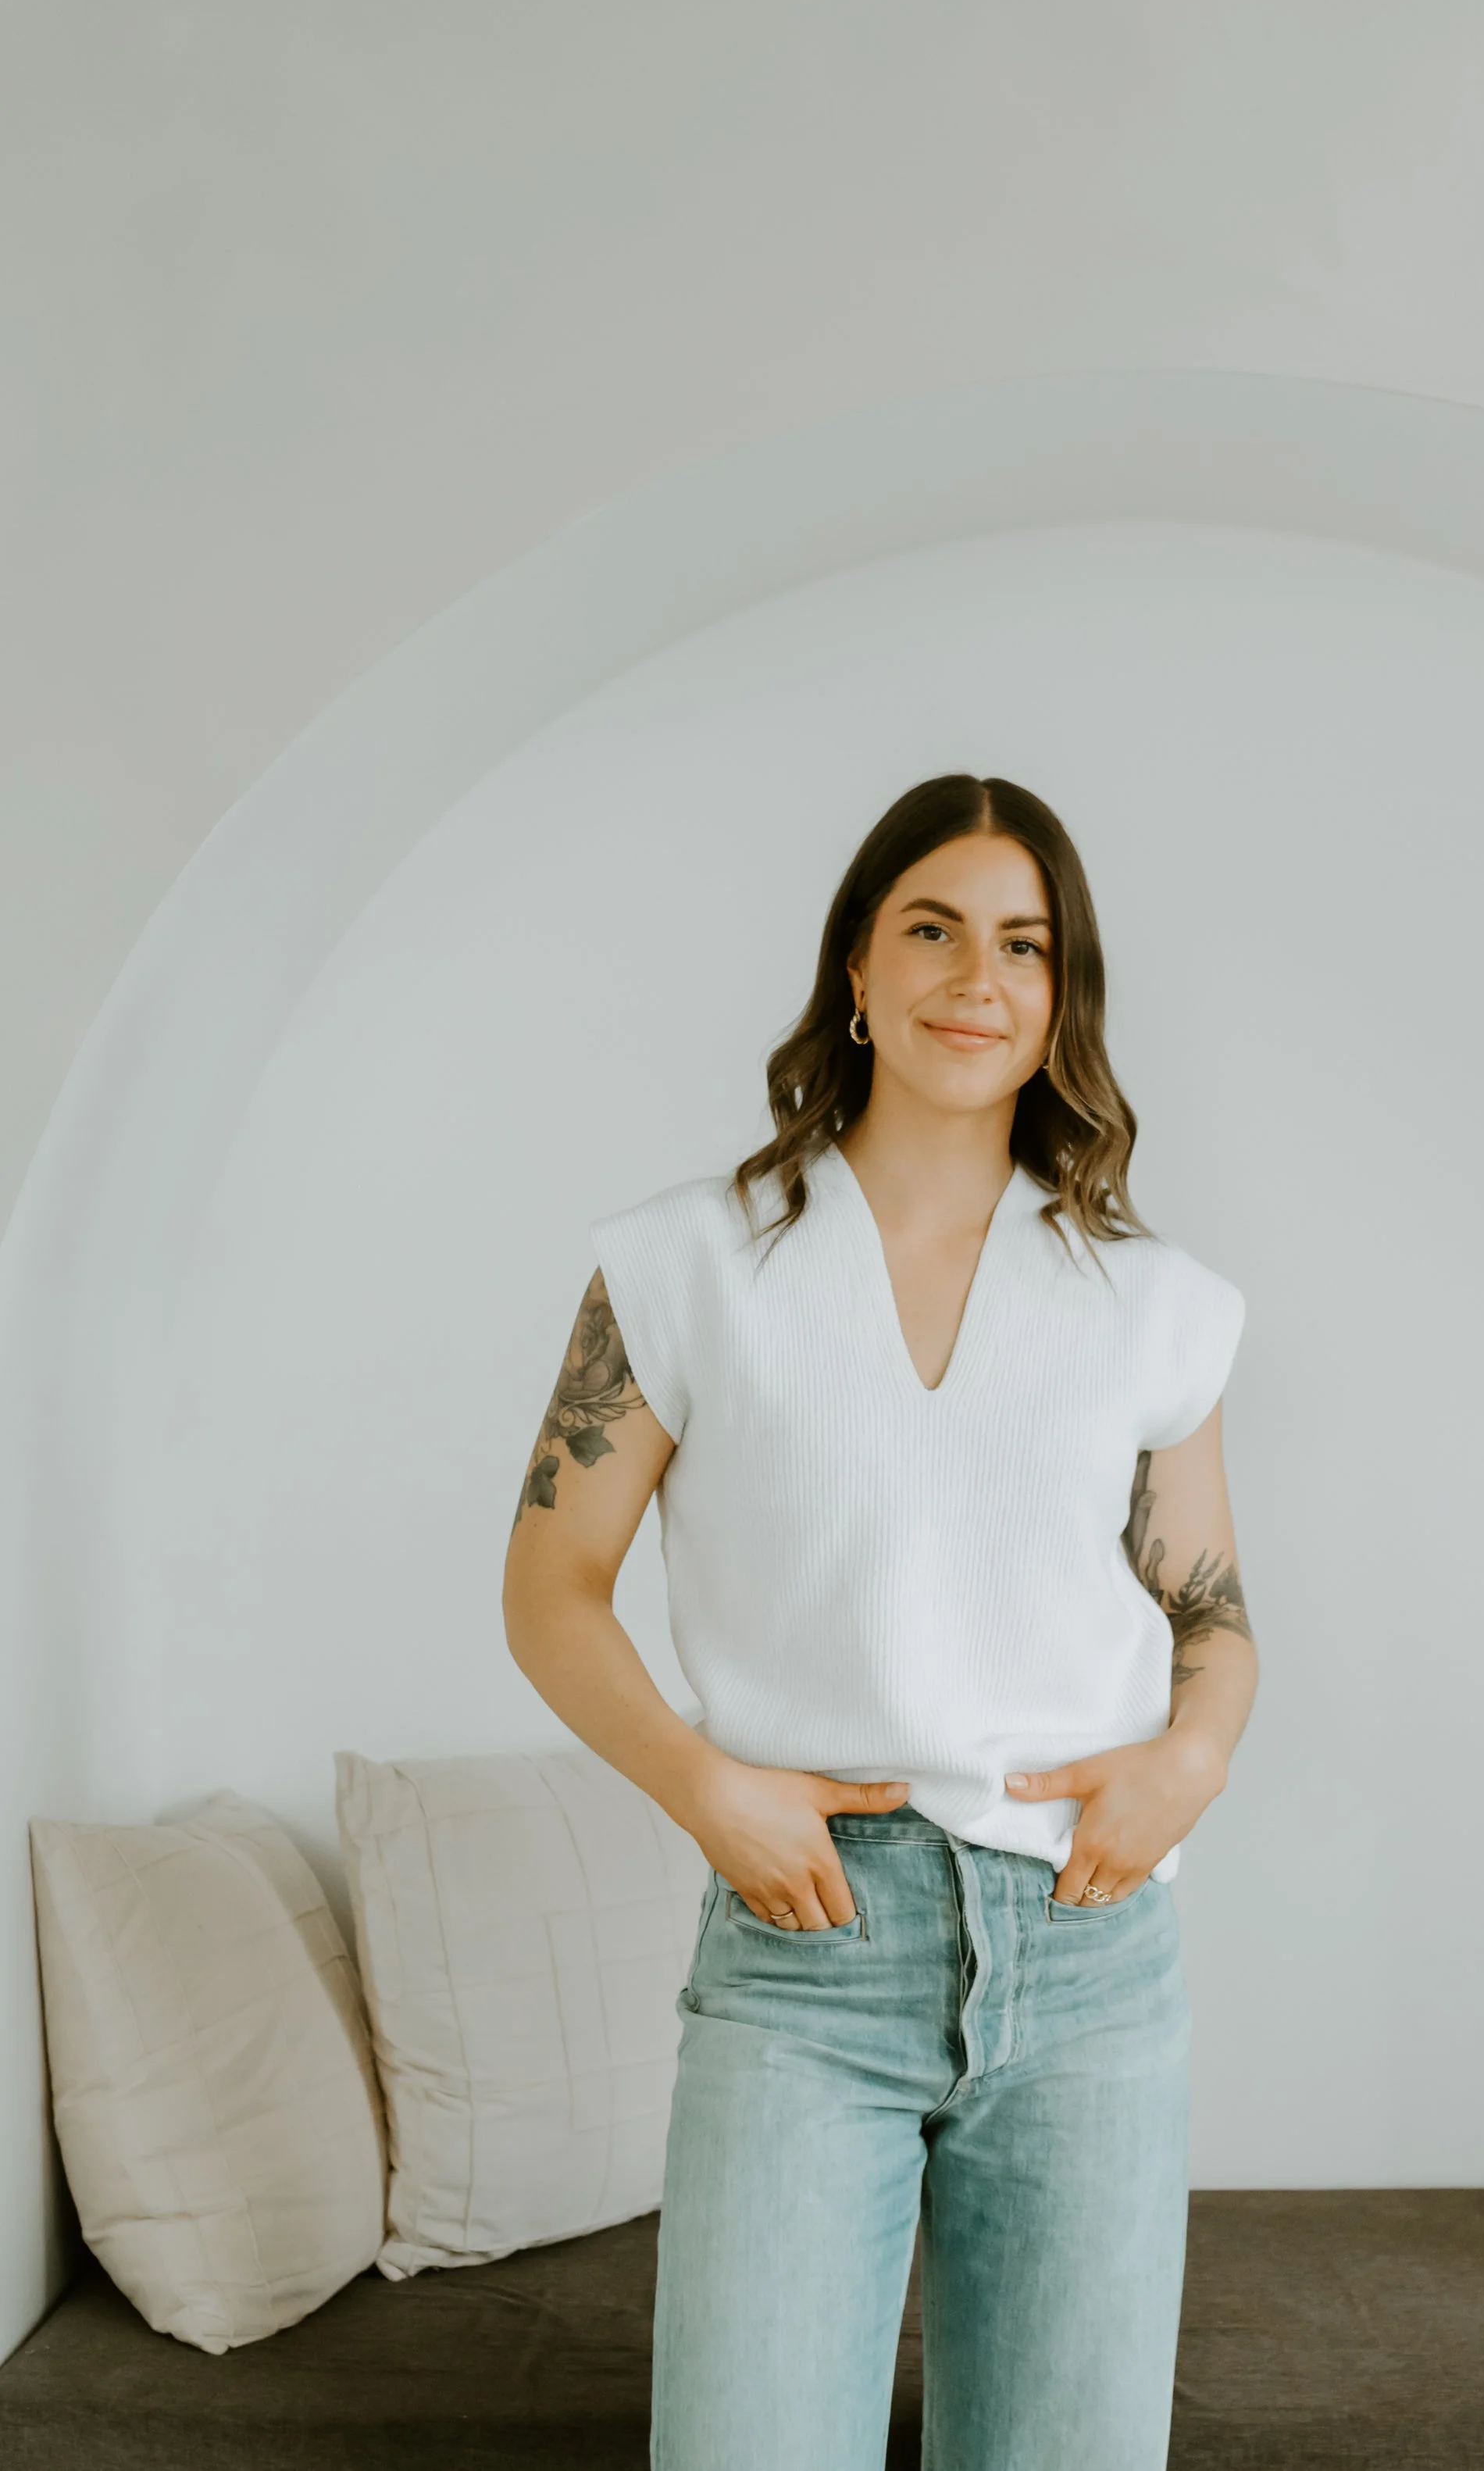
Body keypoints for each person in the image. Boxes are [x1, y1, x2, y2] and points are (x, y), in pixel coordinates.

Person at [502, 770, 1255, 2471]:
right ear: (857, 960)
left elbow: (1207, 1607)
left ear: (1062, 996)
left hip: (1088, 1949)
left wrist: (1190, 1753)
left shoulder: (1151, 1300)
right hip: (806, 1951)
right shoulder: (686, 1262)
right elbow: (547, 1587)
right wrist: (709, 1785)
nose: (973, 977)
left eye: (1021, 943)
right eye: (930, 927)